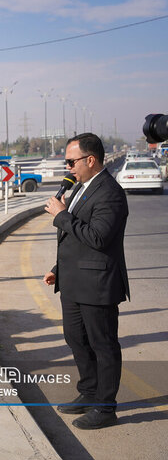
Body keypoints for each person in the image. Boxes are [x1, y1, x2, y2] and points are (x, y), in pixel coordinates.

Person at [43, 133, 129, 430]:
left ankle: (106, 408)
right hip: (73, 281)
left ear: (90, 160)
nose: (68, 168)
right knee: (76, 339)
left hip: (97, 284)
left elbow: (98, 237)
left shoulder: (110, 192)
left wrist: (62, 215)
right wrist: (58, 267)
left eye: (71, 161)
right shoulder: (80, 187)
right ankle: (89, 392)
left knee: (103, 345)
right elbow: (77, 239)